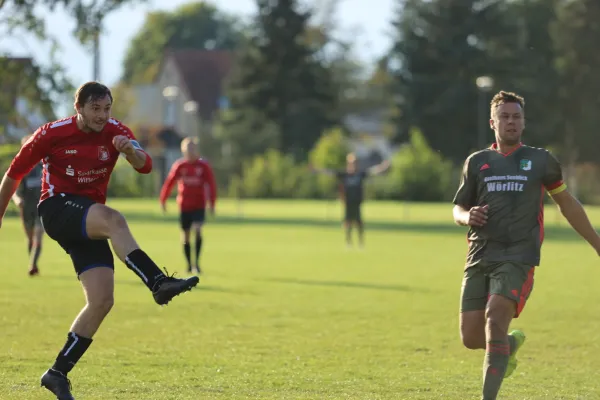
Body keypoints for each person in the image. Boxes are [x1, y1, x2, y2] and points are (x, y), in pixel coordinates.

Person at [0, 81, 200, 400]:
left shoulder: (115, 131)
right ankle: (158, 283)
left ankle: (57, 373)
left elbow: (145, 166)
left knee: (102, 300)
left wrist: (130, 151)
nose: (102, 116)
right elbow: (13, 175)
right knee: (114, 220)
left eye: (107, 109)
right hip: (56, 209)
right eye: (95, 109)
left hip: (87, 219)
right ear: (78, 108)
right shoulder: (51, 133)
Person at [452, 90, 600, 400]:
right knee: (470, 337)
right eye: (504, 117)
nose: (510, 122)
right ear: (493, 122)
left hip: (518, 255)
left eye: (516, 116)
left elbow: (567, 203)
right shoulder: (477, 162)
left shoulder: (540, 160)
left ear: (523, 121)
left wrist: (597, 243)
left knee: (494, 317)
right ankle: (510, 343)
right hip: (480, 254)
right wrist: (468, 216)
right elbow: (458, 209)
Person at [159, 137, 217, 274]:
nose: (190, 151)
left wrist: (212, 203)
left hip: (199, 205)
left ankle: (196, 263)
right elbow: (169, 182)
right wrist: (163, 199)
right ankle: (189, 265)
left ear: (196, 149)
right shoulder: (180, 165)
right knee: (185, 236)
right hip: (184, 206)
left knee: (197, 230)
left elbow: (211, 184)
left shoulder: (203, 166)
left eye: (192, 148)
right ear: (183, 150)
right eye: (187, 148)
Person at [312, 153, 390, 247]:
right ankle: (348, 242)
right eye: (350, 162)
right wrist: (318, 169)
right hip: (347, 203)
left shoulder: (360, 174)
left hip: (357, 203)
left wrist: (383, 166)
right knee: (347, 222)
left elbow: (373, 171)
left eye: (354, 162)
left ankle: (361, 242)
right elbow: (330, 172)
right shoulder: (344, 174)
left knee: (359, 223)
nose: (352, 164)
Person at [12, 134, 44, 276]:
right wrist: (18, 199)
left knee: (38, 234)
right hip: (26, 208)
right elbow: (13, 190)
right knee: (30, 238)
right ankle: (32, 262)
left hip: (42, 207)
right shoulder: (21, 168)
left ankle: (33, 265)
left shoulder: (44, 166)